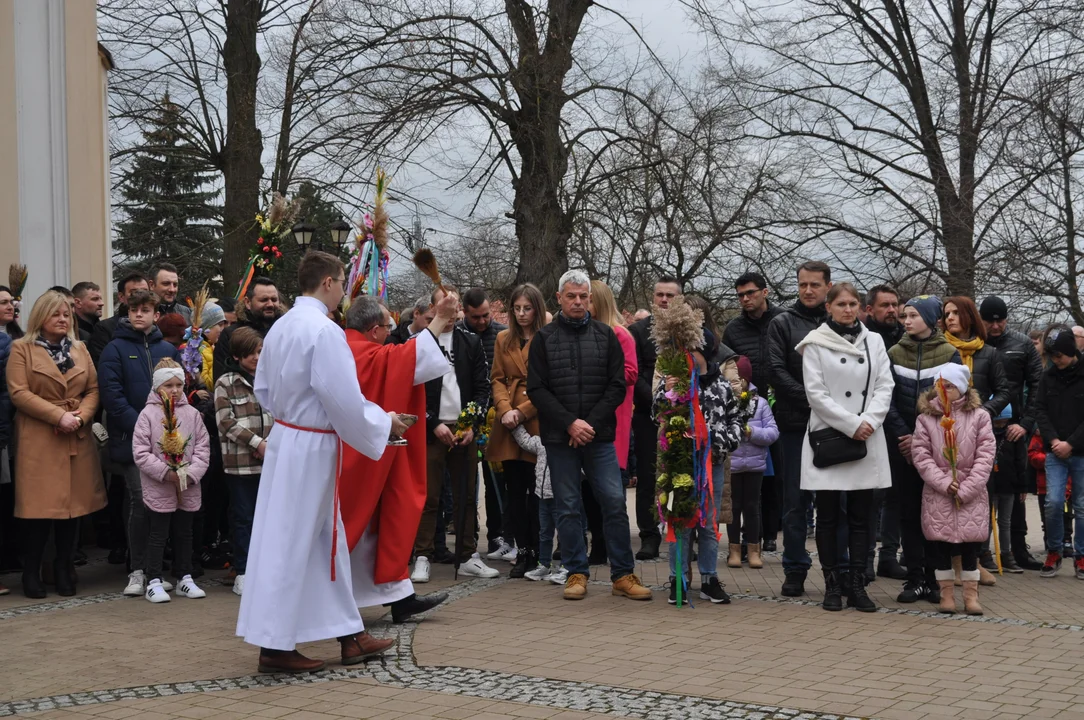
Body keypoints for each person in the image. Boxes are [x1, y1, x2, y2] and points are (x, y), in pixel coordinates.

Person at [236, 251, 404, 674]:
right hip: (310, 447)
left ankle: (350, 634)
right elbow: (343, 399)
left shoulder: (281, 327)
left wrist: (293, 420)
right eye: (343, 280)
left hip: (288, 440)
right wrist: (384, 422)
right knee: (295, 544)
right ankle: (274, 647)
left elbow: (265, 390)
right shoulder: (324, 331)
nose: (346, 289)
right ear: (328, 282)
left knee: (319, 543)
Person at [527, 269, 652, 602]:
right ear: (559, 298)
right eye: (572, 296)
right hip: (559, 436)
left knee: (613, 501)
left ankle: (623, 574)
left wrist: (588, 424)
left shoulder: (606, 336)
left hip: (599, 436)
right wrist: (570, 423)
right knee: (567, 506)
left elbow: (616, 386)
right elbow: (536, 389)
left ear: (591, 299)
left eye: (583, 296)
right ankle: (575, 572)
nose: (578, 302)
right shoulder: (544, 338)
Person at [339, 294, 455, 623]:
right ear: (374, 330)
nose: (391, 334)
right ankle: (339, 602)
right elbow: (410, 359)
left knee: (380, 524)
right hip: (359, 458)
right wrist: (440, 318)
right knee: (362, 527)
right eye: (388, 328)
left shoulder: (344, 347)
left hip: (367, 453)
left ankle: (399, 595)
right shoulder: (360, 353)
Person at [796, 282, 895, 612]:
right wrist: (852, 425)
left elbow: (885, 384)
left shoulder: (875, 341)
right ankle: (832, 585)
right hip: (830, 437)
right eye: (841, 304)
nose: (848, 309)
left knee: (861, 518)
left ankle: (857, 585)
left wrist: (870, 420)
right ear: (829, 307)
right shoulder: (814, 344)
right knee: (826, 517)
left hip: (867, 436)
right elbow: (816, 394)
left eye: (854, 303)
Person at [7, 290, 105, 598]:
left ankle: (64, 569)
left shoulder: (81, 348)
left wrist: (81, 416)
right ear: (41, 317)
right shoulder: (21, 349)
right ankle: (32, 573)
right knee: (40, 513)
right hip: (40, 439)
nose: (62, 319)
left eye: (66, 314)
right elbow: (19, 393)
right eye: (55, 314)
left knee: (72, 513)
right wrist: (57, 417)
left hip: (75, 436)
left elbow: (93, 389)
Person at [98, 289, 184, 597]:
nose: (138, 314)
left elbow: (179, 392)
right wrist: (145, 430)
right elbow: (112, 396)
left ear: (155, 314)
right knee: (139, 500)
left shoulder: (168, 350)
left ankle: (155, 571)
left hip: (168, 442)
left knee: (162, 505)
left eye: (145, 309)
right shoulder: (114, 349)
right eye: (133, 309)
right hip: (131, 441)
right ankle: (137, 570)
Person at [409, 287, 498, 583]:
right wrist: (433, 423)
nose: (449, 313)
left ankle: (468, 554)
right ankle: (423, 555)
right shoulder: (419, 343)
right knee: (428, 496)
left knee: (466, 496)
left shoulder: (469, 342)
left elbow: (482, 387)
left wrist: (471, 424)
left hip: (464, 429)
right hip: (431, 431)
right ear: (433, 308)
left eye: (453, 306)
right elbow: (412, 391)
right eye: (442, 307)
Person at [884, 296, 963, 603]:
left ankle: (934, 577)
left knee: (934, 512)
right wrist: (904, 435)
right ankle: (914, 577)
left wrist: (923, 439)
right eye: (905, 315)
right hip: (902, 445)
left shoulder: (949, 354)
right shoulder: (893, 353)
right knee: (908, 511)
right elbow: (886, 398)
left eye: (913, 315)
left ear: (930, 319)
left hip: (935, 448)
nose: (906, 320)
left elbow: (953, 401)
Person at [655, 345, 743, 605]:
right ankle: (677, 578)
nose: (686, 357)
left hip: (711, 464)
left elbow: (735, 418)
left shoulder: (721, 385)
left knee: (709, 522)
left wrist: (723, 441)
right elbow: (655, 414)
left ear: (705, 354)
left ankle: (709, 578)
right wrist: (666, 391)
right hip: (679, 464)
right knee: (679, 521)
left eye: (692, 351)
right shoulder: (674, 382)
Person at [767, 260, 831, 597]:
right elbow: (776, 370)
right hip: (794, 425)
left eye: (815, 285)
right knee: (795, 501)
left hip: (835, 427)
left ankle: (838, 569)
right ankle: (794, 569)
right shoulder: (782, 323)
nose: (808, 290)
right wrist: (814, 401)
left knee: (835, 501)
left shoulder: (840, 323)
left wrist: (830, 408)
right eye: (803, 284)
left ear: (827, 287)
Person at [911, 365, 995, 615]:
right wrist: (944, 482)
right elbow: (921, 455)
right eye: (941, 386)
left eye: (950, 386)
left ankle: (971, 596)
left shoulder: (980, 417)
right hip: (940, 492)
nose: (945, 391)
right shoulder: (925, 418)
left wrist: (967, 487)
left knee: (970, 549)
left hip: (971, 491)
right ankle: (946, 594)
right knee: (940, 548)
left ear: (961, 388)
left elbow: (985, 455)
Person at [940, 296, 1010, 577]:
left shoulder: (989, 353)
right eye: (947, 314)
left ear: (969, 316)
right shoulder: (941, 349)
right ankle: (953, 561)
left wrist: (981, 411)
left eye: (956, 313)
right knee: (948, 495)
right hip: (946, 432)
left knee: (977, 495)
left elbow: (1005, 390)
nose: (950, 318)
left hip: (978, 433)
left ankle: (975, 560)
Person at [133, 358, 211, 603]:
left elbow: (202, 447)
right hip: (160, 485)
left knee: (184, 532)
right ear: (158, 387)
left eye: (179, 384)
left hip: (187, 484)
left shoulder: (192, 414)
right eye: (169, 385)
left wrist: (190, 473)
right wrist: (166, 473)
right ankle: (153, 579)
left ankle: (185, 576)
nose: (175, 390)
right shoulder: (147, 415)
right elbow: (141, 452)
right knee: (158, 533)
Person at [979, 296, 1046, 571]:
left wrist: (1027, 424)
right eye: (990, 321)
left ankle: (1018, 549)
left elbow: (1038, 386)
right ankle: (982, 551)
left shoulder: (1022, 344)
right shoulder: (974, 342)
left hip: (1015, 427)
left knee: (1015, 491)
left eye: (1000, 320)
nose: (995, 326)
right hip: (982, 425)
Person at [487, 284, 546, 574]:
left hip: (535, 419)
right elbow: (497, 378)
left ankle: (537, 551)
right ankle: (521, 550)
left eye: (527, 308)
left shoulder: (547, 338)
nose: (522, 314)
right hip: (508, 420)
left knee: (536, 492)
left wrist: (521, 411)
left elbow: (547, 385)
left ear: (537, 308)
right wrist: (504, 409)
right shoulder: (503, 339)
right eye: (517, 308)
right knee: (514, 490)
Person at [628, 275, 683, 560]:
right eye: (659, 295)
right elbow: (633, 374)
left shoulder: (688, 331)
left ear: (679, 300)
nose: (664, 300)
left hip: (683, 415)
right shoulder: (638, 331)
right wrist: (659, 400)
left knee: (681, 475)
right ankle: (649, 535)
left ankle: (682, 533)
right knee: (650, 477)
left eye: (670, 296)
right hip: (649, 415)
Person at [214, 327, 271, 597]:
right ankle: (243, 570)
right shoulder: (225, 382)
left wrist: (270, 444)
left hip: (269, 460)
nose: (257, 358)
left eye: (260, 352)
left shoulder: (270, 379)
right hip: (240, 464)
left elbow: (280, 414)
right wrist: (256, 442)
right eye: (251, 354)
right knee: (243, 517)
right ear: (237, 356)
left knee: (268, 518)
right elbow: (226, 422)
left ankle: (267, 569)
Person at [458, 288, 508, 558]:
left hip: (495, 417)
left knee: (495, 482)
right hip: (464, 418)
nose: (482, 321)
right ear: (464, 312)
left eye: (486, 315)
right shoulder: (457, 335)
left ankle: (498, 536)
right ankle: (467, 537)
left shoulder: (501, 334)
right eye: (476, 317)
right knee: (465, 484)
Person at [589, 280, 638, 557]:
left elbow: (631, 373)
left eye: (590, 300)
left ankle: (611, 547)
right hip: (589, 416)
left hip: (614, 417)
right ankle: (597, 544)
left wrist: (600, 372)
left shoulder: (621, 335)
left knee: (611, 491)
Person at [1032, 328, 1084, 580]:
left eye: (1060, 356)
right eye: (1052, 356)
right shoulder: (1048, 376)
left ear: (1072, 352)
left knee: (1082, 506)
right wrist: (1053, 440)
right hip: (1054, 451)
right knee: (1053, 503)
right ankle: (1054, 551)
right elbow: (1040, 409)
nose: (1056, 360)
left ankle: (1081, 555)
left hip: (1081, 452)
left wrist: (1071, 443)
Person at [863, 284, 907, 581]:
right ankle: (864, 559)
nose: (892, 310)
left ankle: (888, 556)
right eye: (885, 306)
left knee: (896, 497)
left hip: (900, 429)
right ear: (870, 309)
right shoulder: (865, 339)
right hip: (873, 425)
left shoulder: (904, 337)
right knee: (870, 498)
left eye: (895, 305)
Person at [727, 356, 779, 569]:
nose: (738, 384)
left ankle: (753, 549)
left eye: (741, 379)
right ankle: (734, 550)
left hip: (755, 464)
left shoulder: (761, 404)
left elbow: (773, 432)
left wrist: (752, 432)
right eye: (734, 380)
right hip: (732, 463)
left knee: (752, 507)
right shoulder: (726, 401)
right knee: (733, 507)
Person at [724, 272, 785, 397]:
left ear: (765, 292)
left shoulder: (785, 320)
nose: (745, 299)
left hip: (784, 399)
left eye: (750, 293)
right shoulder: (733, 329)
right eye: (741, 295)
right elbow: (725, 367)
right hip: (749, 401)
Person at [214, 278, 282, 383]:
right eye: (264, 300)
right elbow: (221, 380)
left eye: (274, 299)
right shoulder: (230, 335)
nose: (270, 304)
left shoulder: (286, 332)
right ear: (248, 302)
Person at [88, 273, 150, 365]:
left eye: (144, 292)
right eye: (134, 292)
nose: (140, 297)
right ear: (121, 297)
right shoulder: (105, 329)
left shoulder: (157, 326)